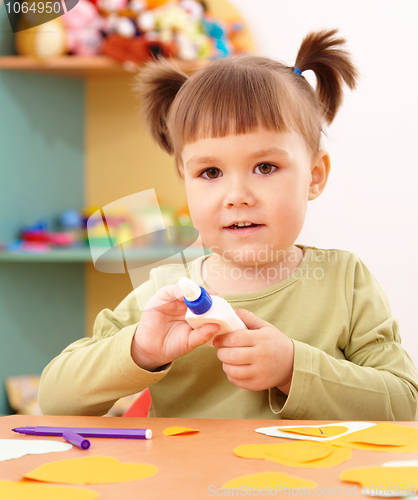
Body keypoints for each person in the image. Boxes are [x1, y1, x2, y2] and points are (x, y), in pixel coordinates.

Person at [38, 29, 418, 420]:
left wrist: (293, 368)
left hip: (303, 483)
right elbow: (54, 399)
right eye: (210, 172)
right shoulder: (165, 294)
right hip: (186, 481)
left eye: (265, 167)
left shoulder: (345, 283)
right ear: (185, 181)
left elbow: (404, 407)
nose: (237, 195)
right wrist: (141, 350)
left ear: (315, 176)